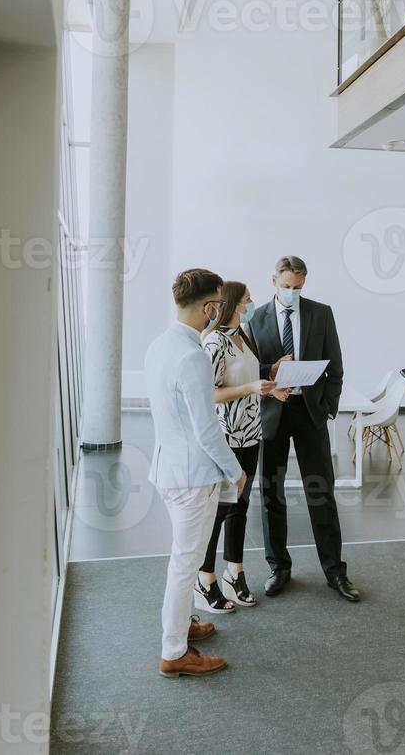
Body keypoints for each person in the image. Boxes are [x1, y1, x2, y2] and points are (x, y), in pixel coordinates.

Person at [145, 268, 246, 680]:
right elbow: (207, 430)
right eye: (219, 305)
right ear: (208, 307)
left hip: (168, 467)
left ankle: (182, 625)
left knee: (182, 558)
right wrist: (236, 471)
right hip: (192, 477)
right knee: (185, 563)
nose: (218, 312)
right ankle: (174, 651)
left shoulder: (159, 345)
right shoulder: (193, 356)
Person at [247, 255, 360, 602]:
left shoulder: (320, 313)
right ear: (273, 281)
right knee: (271, 494)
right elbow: (249, 369)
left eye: (298, 287)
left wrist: (328, 408)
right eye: (286, 287)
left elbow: (336, 369)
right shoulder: (254, 318)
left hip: (310, 413)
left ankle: (334, 571)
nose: (292, 292)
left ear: (304, 283)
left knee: (321, 492)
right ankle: (278, 567)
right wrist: (271, 369)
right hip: (272, 413)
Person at [195, 281, 291, 612]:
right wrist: (251, 386)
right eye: (247, 299)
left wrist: (268, 385)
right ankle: (204, 578)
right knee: (220, 511)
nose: (251, 303)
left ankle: (234, 572)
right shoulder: (215, 342)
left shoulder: (242, 336)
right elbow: (210, 393)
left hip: (250, 434)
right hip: (226, 436)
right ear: (234, 303)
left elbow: (248, 378)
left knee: (240, 506)